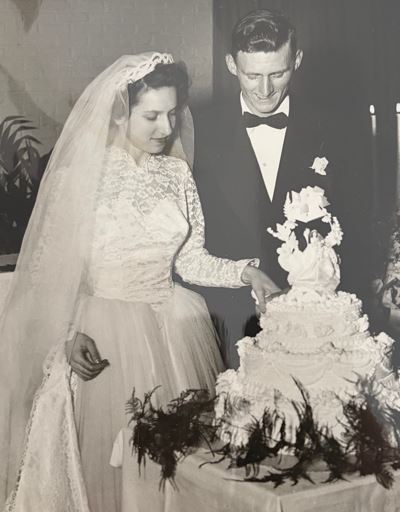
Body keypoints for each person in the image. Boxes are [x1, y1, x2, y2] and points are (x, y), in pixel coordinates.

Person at [0, 52, 279, 512]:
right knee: (111, 477)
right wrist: (66, 335)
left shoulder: (176, 173)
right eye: (151, 116)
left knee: (179, 471)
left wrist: (245, 272)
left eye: (172, 113)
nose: (166, 128)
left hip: (175, 331)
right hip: (104, 337)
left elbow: (190, 260)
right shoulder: (78, 178)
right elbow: (45, 273)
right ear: (118, 112)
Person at [193, 9, 335, 369]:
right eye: (252, 75)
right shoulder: (197, 127)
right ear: (231, 64)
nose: (265, 90)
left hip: (311, 317)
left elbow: (353, 225)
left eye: (278, 73)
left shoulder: (331, 126)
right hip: (224, 319)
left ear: (297, 60)